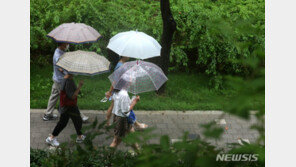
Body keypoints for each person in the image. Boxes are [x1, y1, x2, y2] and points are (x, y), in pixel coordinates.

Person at [43, 43, 89, 122]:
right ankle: (80, 117)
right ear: (62, 44)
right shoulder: (58, 55)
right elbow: (61, 69)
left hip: (57, 79)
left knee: (54, 96)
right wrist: (73, 73)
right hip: (62, 81)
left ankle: (48, 114)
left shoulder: (61, 51)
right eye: (66, 43)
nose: (68, 44)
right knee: (71, 98)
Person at [105, 56, 148, 130]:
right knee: (126, 108)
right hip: (119, 90)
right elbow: (115, 80)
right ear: (123, 55)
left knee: (113, 107)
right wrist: (110, 91)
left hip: (119, 90)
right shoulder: (120, 66)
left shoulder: (122, 64)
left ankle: (107, 123)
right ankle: (136, 125)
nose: (129, 56)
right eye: (127, 54)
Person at [46, 74, 85, 147]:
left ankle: (80, 136)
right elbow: (72, 97)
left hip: (68, 105)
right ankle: (51, 138)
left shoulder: (66, 78)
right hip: (68, 106)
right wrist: (79, 86)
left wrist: (76, 88)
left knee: (77, 120)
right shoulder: (69, 81)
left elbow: (69, 92)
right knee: (63, 123)